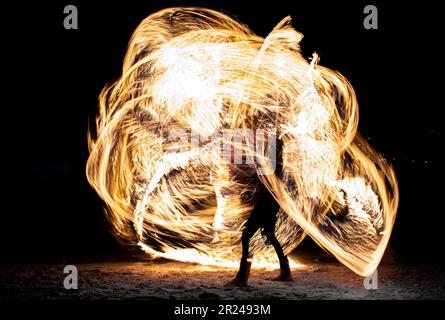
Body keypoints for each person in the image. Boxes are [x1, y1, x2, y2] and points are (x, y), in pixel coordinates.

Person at [225, 134, 291, 287]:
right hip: (271, 202)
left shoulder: (271, 163)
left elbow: (262, 179)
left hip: (266, 202)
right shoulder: (275, 163)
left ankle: (242, 277)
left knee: (247, 234)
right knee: (269, 235)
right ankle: (285, 271)